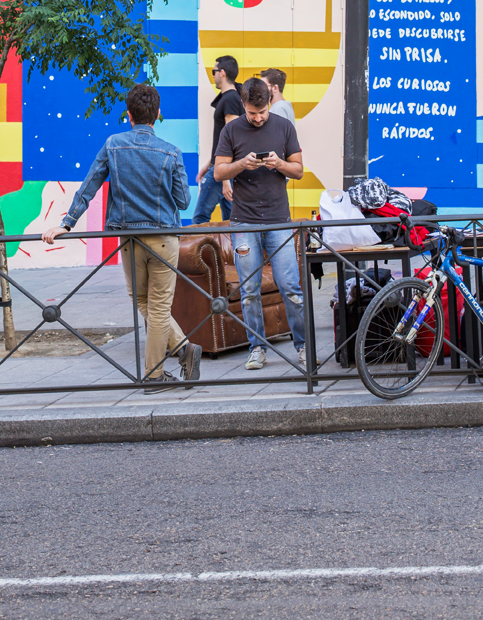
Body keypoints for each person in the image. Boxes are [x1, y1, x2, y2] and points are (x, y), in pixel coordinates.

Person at [41, 83, 201, 393]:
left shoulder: (113, 144)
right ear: (158, 114)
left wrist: (68, 223)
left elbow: (90, 184)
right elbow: (183, 201)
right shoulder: (171, 152)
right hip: (164, 238)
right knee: (157, 307)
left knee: (142, 302)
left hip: (129, 240)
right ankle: (176, 357)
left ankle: (169, 364)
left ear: (128, 115)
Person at [214, 75, 306, 371]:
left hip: (279, 220)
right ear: (243, 105)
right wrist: (242, 164)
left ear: (269, 104)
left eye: (262, 112)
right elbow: (219, 173)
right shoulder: (231, 130)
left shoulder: (284, 126)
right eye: (252, 113)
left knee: (290, 286)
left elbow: (299, 170)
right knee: (249, 289)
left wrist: (279, 164)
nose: (257, 118)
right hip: (243, 222)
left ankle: (303, 346)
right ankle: (257, 348)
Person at [192, 55, 243, 225]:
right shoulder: (230, 98)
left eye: (214, 71)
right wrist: (208, 165)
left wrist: (225, 178)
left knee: (200, 218)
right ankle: (229, 252)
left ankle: (196, 251)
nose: (212, 75)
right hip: (221, 168)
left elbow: (233, 140)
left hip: (222, 171)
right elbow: (223, 141)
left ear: (222, 73)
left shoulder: (230, 99)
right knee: (230, 221)